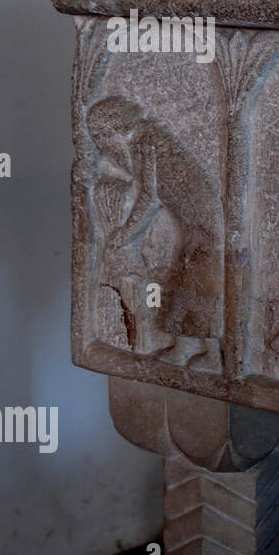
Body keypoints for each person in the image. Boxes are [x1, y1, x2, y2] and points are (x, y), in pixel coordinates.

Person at [86, 96, 223, 372]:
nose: (104, 149)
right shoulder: (148, 136)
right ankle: (190, 347)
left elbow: (149, 197)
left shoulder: (144, 142)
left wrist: (125, 234)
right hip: (197, 220)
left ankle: (211, 355)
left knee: (198, 282)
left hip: (201, 222)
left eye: (102, 139)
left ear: (114, 128)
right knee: (191, 280)